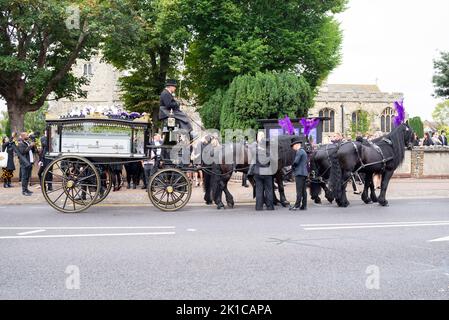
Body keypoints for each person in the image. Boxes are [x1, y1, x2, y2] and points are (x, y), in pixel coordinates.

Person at [248, 140, 274, 211]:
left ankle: (259, 207)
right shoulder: (269, 152)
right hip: (267, 173)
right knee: (269, 190)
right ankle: (270, 207)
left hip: (257, 173)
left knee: (259, 190)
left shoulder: (255, 152)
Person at [289, 137, 308, 211]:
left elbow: (296, 162)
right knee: (303, 191)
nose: (293, 148)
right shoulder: (304, 151)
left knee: (299, 191)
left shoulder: (299, 152)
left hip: (299, 173)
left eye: (293, 146)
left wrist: (292, 167)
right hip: (304, 173)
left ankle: (296, 205)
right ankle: (304, 205)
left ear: (296, 145)